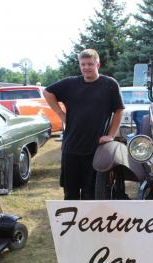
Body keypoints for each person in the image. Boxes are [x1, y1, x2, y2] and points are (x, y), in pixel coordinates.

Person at [44, 49, 124, 200]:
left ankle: (88, 221)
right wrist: (61, 114)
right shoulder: (70, 84)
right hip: (71, 147)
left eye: (90, 64)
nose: (86, 67)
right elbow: (47, 92)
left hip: (95, 149)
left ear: (97, 65)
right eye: (83, 64)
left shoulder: (109, 85)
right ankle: (71, 222)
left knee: (90, 193)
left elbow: (119, 111)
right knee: (70, 192)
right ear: (80, 65)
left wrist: (111, 135)